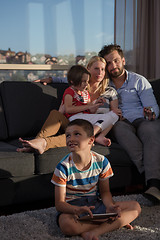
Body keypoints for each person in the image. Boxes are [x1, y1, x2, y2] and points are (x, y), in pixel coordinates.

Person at [51, 119, 141, 240]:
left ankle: (94, 231)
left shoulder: (102, 162)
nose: (70, 138)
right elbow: (59, 204)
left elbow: (105, 192)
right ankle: (112, 223)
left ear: (91, 140)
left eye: (77, 134)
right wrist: (76, 210)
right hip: (73, 208)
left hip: (95, 204)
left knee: (135, 207)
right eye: (68, 135)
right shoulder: (62, 167)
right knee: (67, 225)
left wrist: (109, 206)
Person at [17, 56, 121, 154]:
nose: (100, 72)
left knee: (111, 116)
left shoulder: (108, 91)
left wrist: (96, 106)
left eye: (103, 69)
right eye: (96, 68)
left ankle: (46, 143)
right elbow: (69, 82)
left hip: (88, 127)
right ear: (88, 69)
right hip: (73, 121)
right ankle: (37, 142)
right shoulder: (78, 87)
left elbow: (96, 113)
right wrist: (51, 79)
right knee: (55, 114)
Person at [98, 44, 160, 201]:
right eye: (109, 63)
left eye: (116, 61)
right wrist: (52, 78)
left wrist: (150, 113)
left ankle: (152, 184)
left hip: (142, 119)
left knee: (151, 129)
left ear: (123, 60)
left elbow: (152, 106)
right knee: (118, 128)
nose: (113, 66)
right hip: (121, 122)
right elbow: (79, 78)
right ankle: (151, 181)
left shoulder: (138, 81)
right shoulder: (103, 84)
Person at [62, 64, 119, 147]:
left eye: (87, 81)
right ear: (73, 81)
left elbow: (90, 111)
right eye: (84, 81)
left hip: (86, 118)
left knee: (114, 115)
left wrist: (96, 104)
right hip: (74, 118)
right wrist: (88, 106)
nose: (86, 84)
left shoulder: (85, 93)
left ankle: (99, 136)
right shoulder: (69, 91)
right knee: (109, 117)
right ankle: (89, 137)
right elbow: (68, 109)